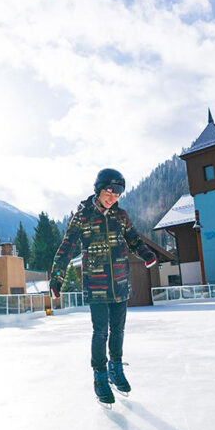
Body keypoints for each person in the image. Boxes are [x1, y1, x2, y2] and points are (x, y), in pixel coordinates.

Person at [50, 168, 156, 406]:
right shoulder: (82, 216)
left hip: (120, 282)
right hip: (96, 284)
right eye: (109, 191)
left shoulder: (121, 216)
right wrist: (57, 278)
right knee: (101, 332)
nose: (113, 197)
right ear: (98, 190)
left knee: (118, 331)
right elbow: (66, 247)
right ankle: (99, 376)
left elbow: (134, 240)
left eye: (117, 193)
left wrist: (146, 253)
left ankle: (115, 368)